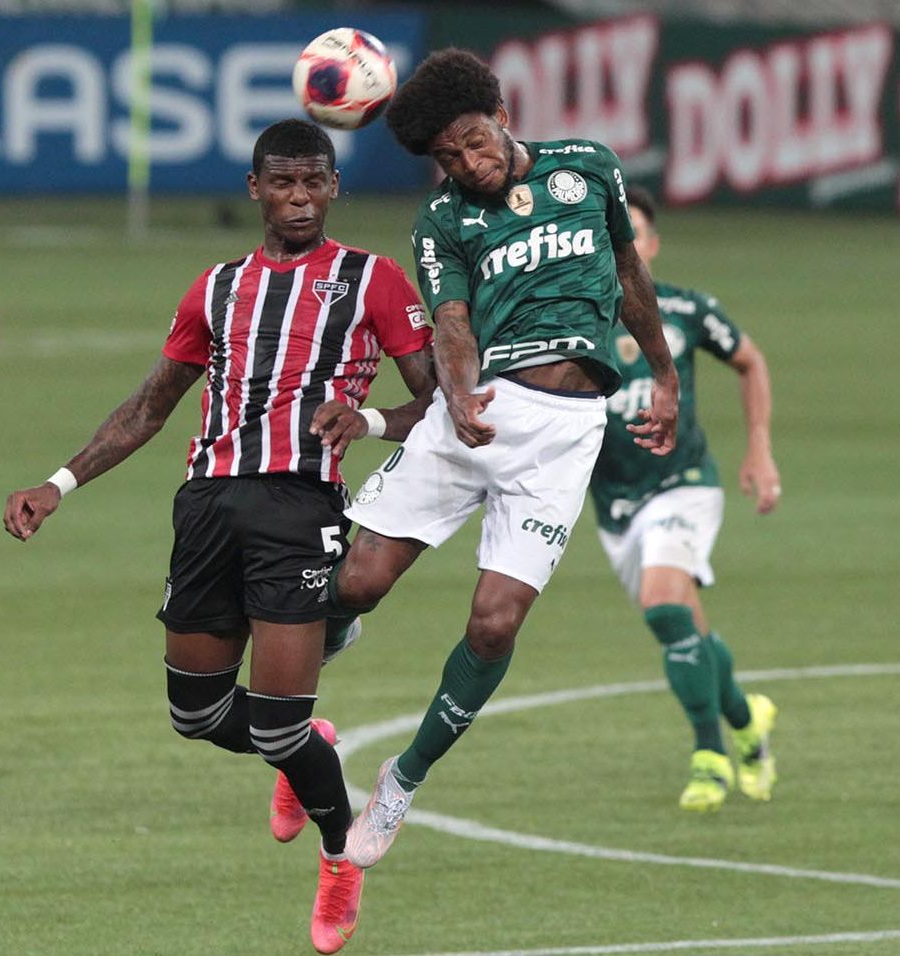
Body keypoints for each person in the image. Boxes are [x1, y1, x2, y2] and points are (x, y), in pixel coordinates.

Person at [1, 119, 436, 955]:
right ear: (255, 189)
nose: (300, 198)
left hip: (298, 512)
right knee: (194, 714)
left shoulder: (373, 281)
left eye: (314, 182)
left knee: (274, 727)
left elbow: (442, 407)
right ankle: (314, 746)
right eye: (283, 183)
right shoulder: (216, 287)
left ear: (334, 187)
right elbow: (150, 406)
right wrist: (57, 484)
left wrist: (371, 417)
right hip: (205, 506)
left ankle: (341, 852)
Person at [328, 48, 682, 868]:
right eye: (447, 157)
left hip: (564, 436)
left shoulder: (588, 169)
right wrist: (454, 392)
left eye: (472, 141)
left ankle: (401, 782)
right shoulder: (443, 221)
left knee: (493, 625)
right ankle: (331, 643)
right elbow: (451, 321)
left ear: (504, 115)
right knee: (355, 584)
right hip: (477, 413)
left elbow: (628, 272)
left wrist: (662, 372)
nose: (466, 163)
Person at [592, 187, 781, 812]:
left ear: (653, 243)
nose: (630, 246)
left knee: (663, 602)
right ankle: (747, 720)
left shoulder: (684, 308)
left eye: (638, 234)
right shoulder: (573, 315)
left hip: (684, 484)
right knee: (687, 627)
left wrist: (759, 449)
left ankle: (709, 756)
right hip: (615, 505)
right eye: (618, 234)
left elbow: (750, 361)